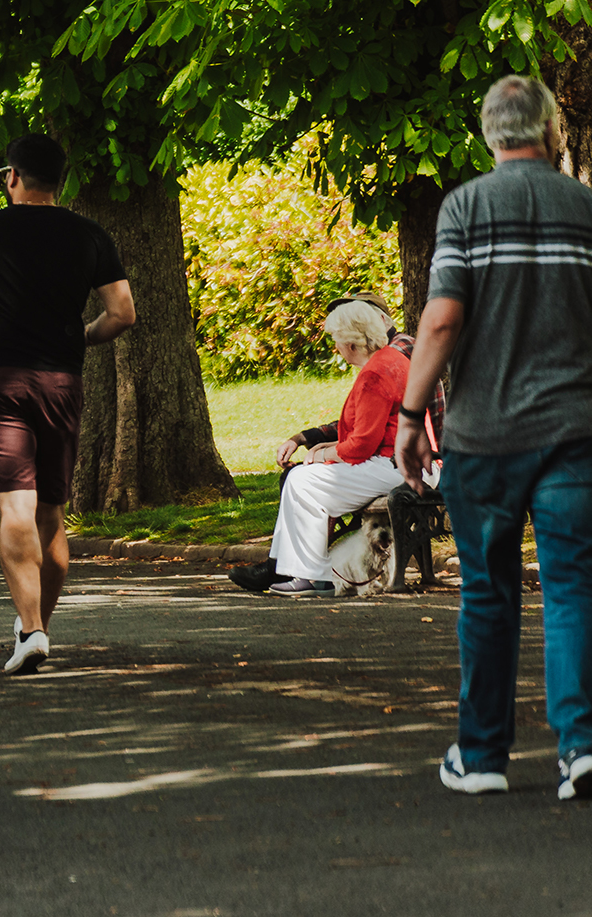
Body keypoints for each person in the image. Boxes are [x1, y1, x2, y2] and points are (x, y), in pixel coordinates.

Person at [398, 75, 592, 799]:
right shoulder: (585, 209)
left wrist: (410, 415)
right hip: (575, 432)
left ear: (489, 135)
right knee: (574, 587)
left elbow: (443, 319)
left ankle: (481, 757)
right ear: (551, 131)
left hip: (485, 437)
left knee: (488, 593)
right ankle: (582, 749)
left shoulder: (467, 207)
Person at [0, 133, 137, 676]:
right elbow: (122, 313)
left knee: (16, 507)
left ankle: (31, 628)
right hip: (62, 380)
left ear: (12, 177)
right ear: (60, 180)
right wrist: (79, 338)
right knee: (52, 513)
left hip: (2, 382)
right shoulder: (91, 236)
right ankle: (37, 626)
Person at [226, 297, 417, 596]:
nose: (335, 347)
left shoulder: (375, 373)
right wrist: (325, 447)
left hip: (394, 466)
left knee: (303, 481)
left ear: (351, 343)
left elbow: (363, 445)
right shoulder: (387, 361)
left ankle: (312, 577)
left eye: (336, 340)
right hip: (399, 460)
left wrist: (324, 453)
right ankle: (301, 573)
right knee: (301, 478)